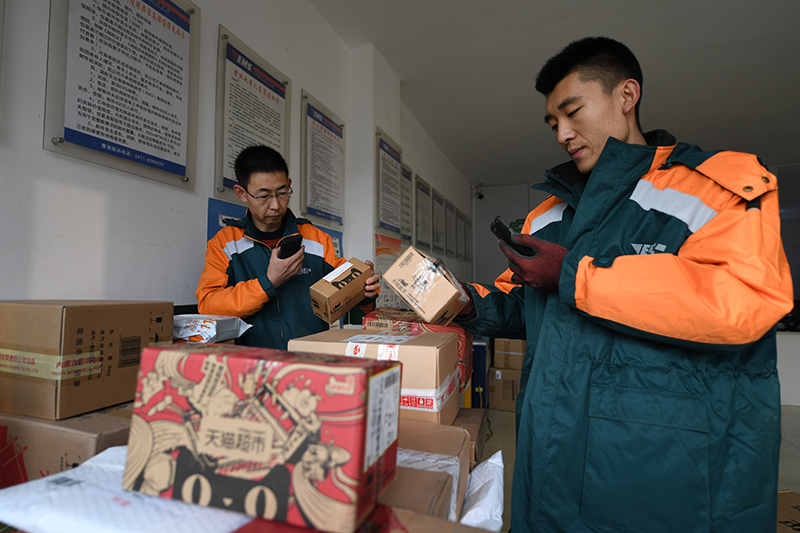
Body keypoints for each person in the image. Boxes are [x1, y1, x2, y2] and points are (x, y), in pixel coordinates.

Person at [455, 37, 794, 531]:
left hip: (656, 479)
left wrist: (573, 274)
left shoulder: (715, 186)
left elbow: (743, 297)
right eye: (553, 124)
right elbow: (523, 306)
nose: (563, 134)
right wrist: (465, 302)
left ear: (626, 95)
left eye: (573, 112)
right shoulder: (548, 213)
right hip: (549, 459)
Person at [197, 144, 380, 350]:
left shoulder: (316, 239)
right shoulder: (225, 244)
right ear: (242, 193)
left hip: (311, 359)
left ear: (289, 185)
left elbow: (348, 299)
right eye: (264, 195)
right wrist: (269, 283)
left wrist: (366, 291)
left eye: (282, 192)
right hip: (252, 364)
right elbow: (208, 305)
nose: (275, 204)